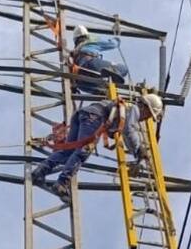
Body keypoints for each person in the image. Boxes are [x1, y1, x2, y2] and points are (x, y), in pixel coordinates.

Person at [31, 92, 164, 203]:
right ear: (145, 107)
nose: (145, 118)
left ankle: (40, 171)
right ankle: (62, 183)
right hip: (94, 117)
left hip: (84, 115)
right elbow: (129, 130)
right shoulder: (134, 109)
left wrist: (135, 150)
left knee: (68, 152)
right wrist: (138, 150)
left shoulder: (125, 108)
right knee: (84, 150)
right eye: (148, 115)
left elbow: (124, 130)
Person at [70, 25, 128, 93]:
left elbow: (70, 68)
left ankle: (99, 91)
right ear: (86, 35)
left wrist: (73, 85)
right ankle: (113, 73)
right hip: (92, 64)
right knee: (123, 69)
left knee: (81, 84)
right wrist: (116, 38)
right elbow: (113, 44)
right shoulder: (91, 40)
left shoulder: (75, 51)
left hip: (81, 72)